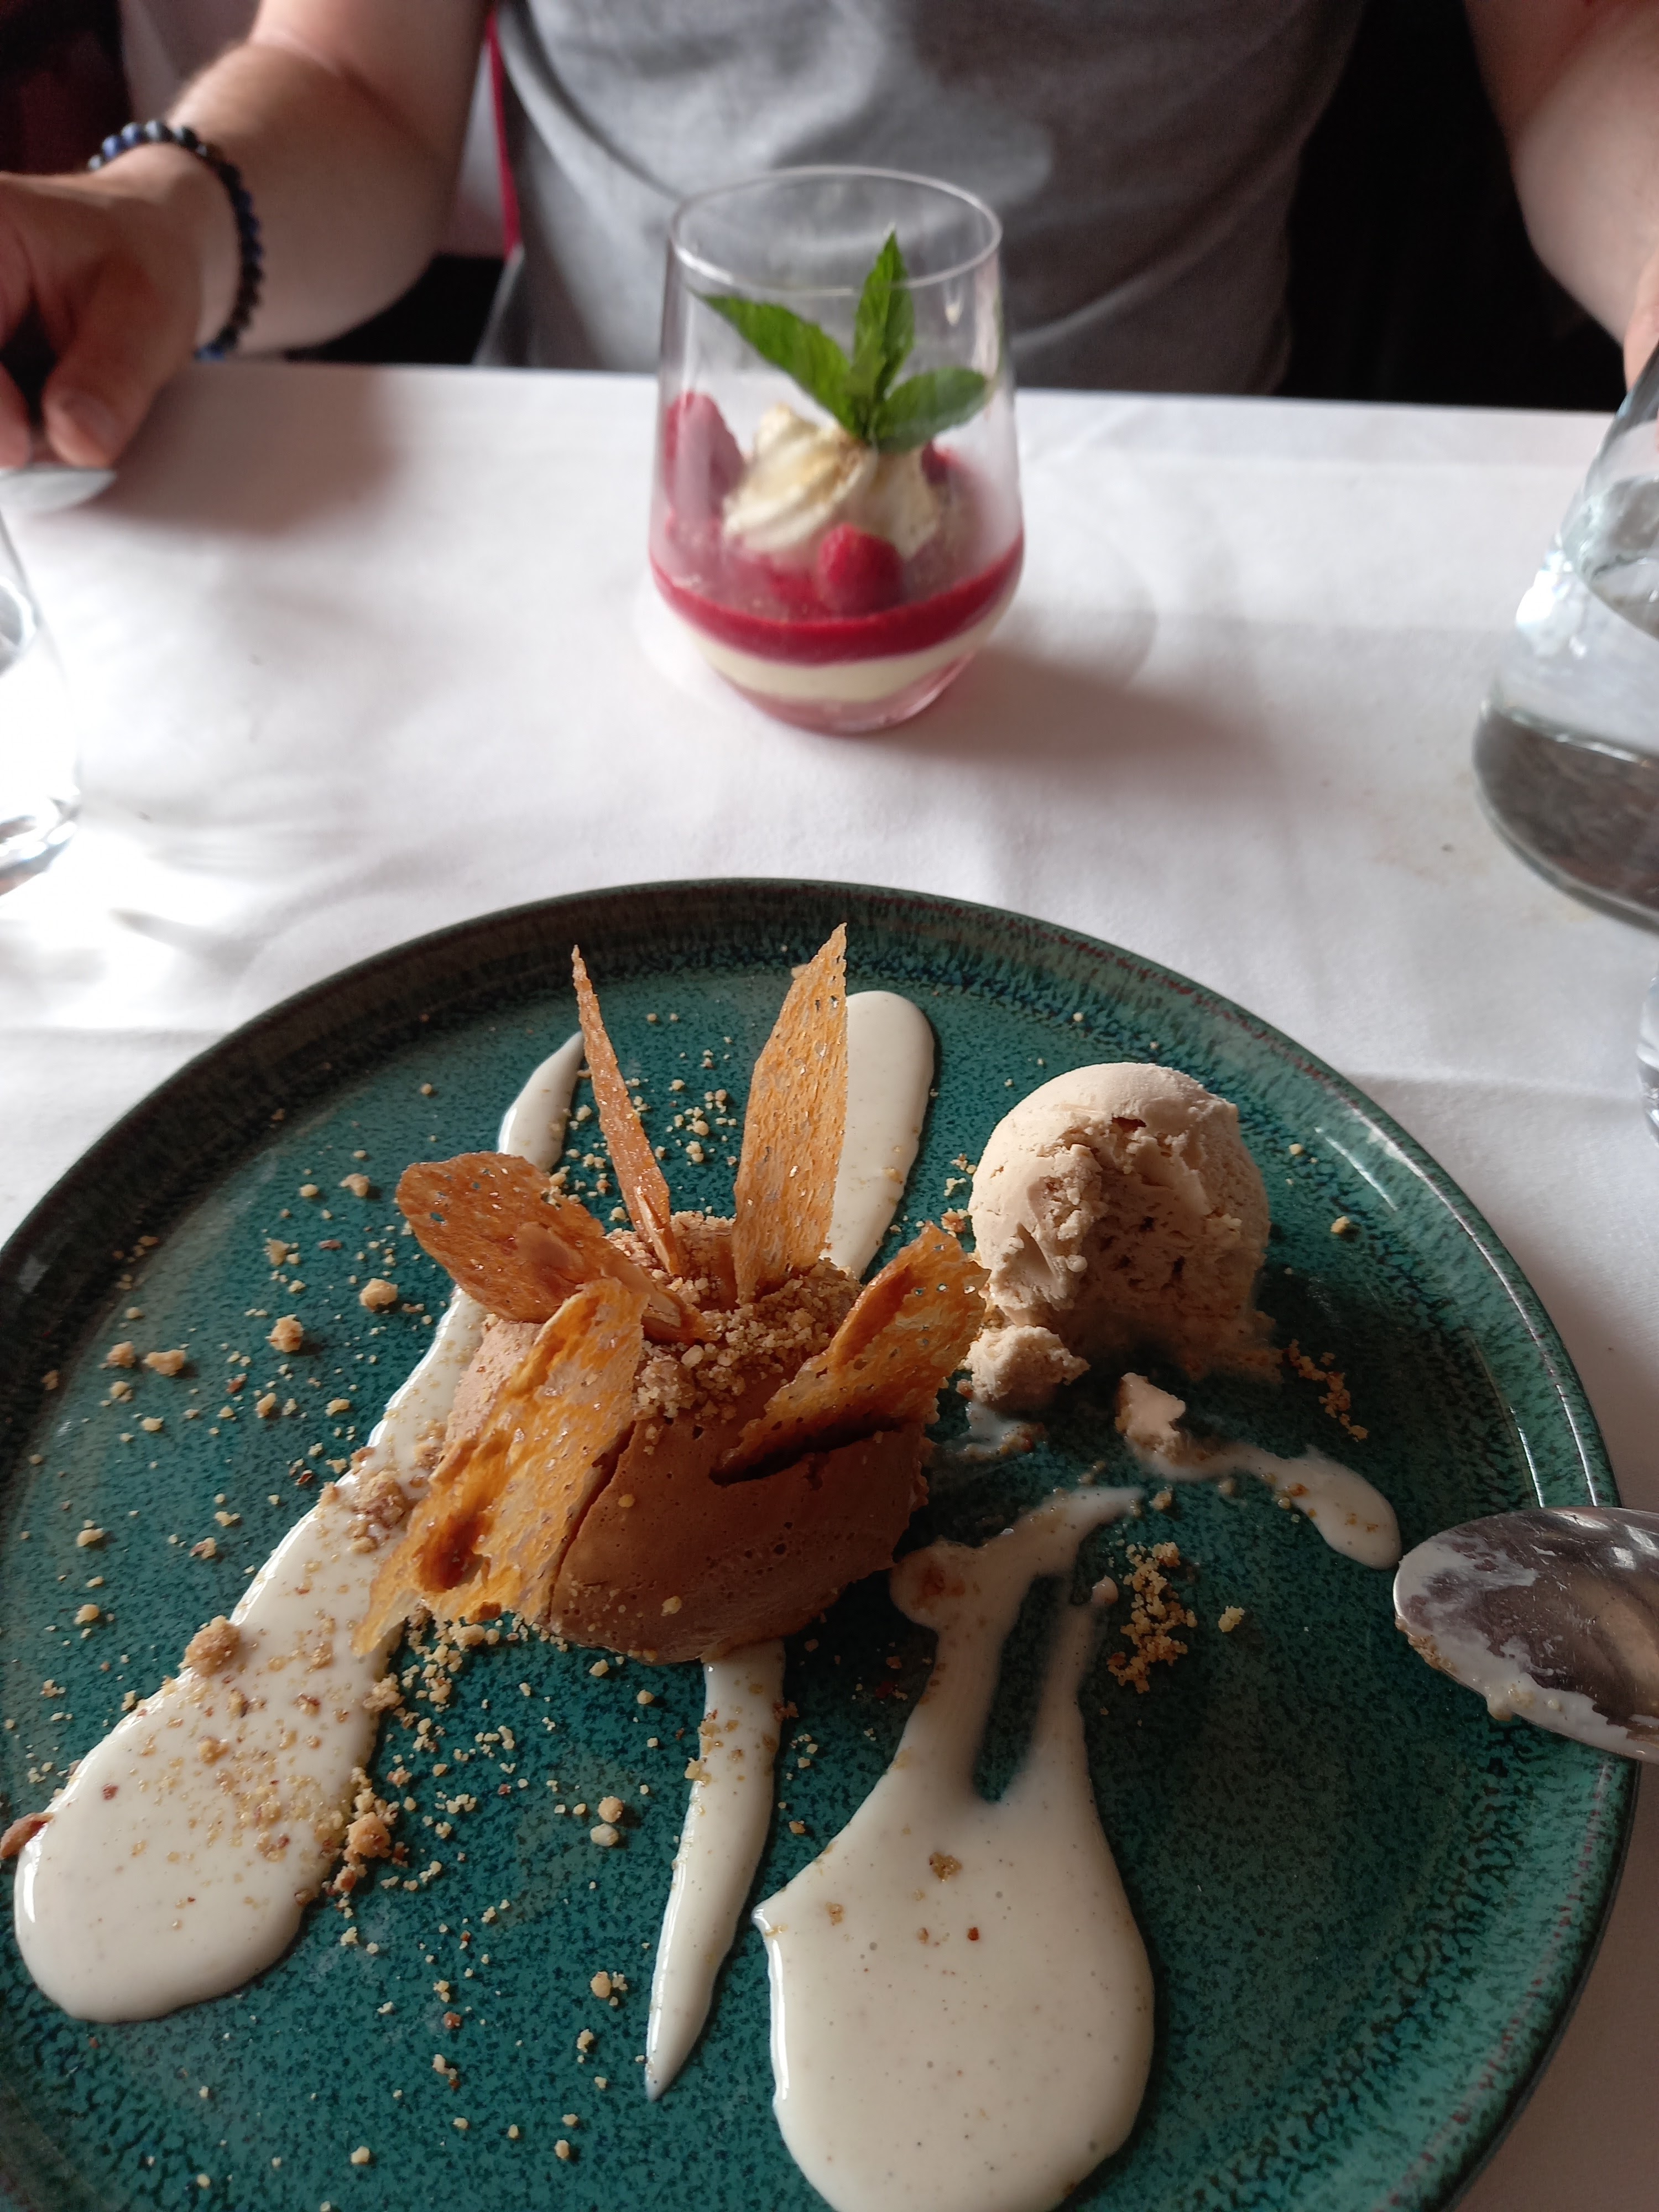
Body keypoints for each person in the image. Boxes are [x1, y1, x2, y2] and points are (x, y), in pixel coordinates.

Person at [2, 0, 1657, 471]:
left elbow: (1586, 43)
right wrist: (159, 221)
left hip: (1185, 500)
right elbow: (355, 79)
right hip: (609, 487)